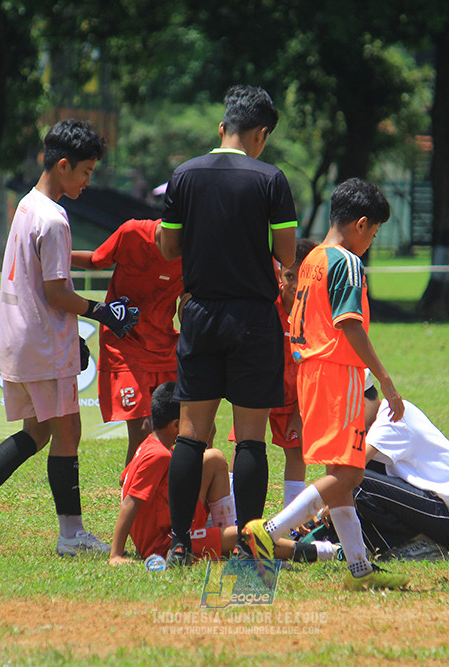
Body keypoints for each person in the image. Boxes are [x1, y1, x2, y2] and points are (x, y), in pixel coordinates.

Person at [0, 119, 139, 558]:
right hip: (45, 343)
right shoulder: (54, 219)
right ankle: (71, 535)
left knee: (37, 430)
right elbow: (56, 292)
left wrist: (78, 334)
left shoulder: (28, 207)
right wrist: (102, 313)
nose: (89, 182)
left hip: (21, 339)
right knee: (68, 428)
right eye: (86, 172)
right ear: (64, 165)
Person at [243, 177, 412, 591]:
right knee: (349, 475)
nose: (371, 240)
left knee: (340, 475)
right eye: (373, 232)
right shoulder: (346, 261)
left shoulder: (314, 257)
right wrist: (387, 383)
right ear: (360, 223)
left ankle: (360, 570)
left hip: (310, 374)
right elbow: (350, 325)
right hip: (339, 374)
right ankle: (270, 530)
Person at [158, 85, 298, 565]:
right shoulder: (270, 179)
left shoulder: (184, 175)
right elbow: (285, 253)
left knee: (193, 434)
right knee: (251, 436)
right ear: (261, 134)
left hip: (199, 313)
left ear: (222, 128)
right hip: (253, 318)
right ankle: (250, 546)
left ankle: (179, 544)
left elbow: (167, 248)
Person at [109, 382, 340, 566]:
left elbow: (125, 480)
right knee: (243, 537)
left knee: (214, 458)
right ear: (177, 425)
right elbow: (130, 501)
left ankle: (218, 534)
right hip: (164, 543)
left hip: (167, 525)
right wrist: (116, 554)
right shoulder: (159, 456)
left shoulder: (150, 446)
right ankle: (327, 552)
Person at [70, 218, 183, 466]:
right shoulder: (132, 232)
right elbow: (96, 260)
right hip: (124, 342)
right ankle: (132, 497)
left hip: (165, 347)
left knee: (189, 429)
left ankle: (175, 498)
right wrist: (55, 254)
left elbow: (188, 298)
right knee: (144, 428)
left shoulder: (197, 247)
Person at [227, 238, 318, 509]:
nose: (294, 284)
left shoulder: (315, 313)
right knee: (244, 444)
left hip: (293, 396)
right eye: (289, 275)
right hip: (259, 390)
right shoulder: (266, 303)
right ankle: (232, 510)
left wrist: (300, 413)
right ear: (280, 273)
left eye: (302, 277)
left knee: (296, 450)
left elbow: (313, 368)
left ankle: (293, 519)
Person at [355, 376, 449, 561]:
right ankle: (400, 544)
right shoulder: (374, 422)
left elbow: (350, 471)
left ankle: (416, 544)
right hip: (436, 511)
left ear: (358, 402)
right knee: (357, 479)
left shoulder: (392, 416)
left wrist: (322, 505)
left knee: (356, 480)